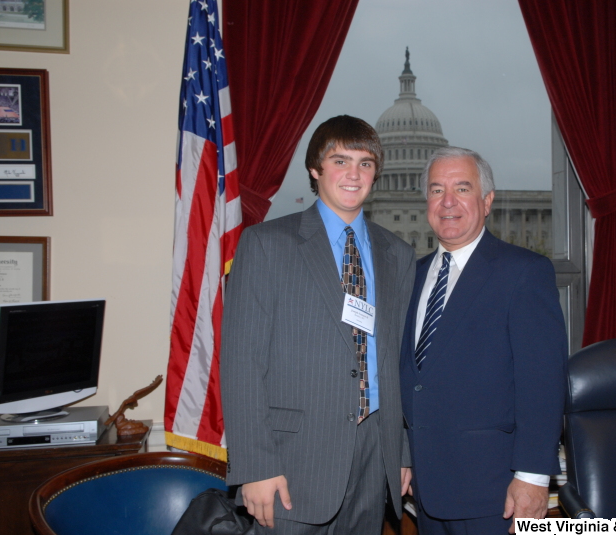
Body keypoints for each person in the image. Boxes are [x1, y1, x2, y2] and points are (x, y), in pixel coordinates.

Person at [221, 115, 416, 534]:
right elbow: (241, 364)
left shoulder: (397, 254)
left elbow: (397, 361)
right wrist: (254, 466)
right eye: (340, 160)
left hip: (372, 458)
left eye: (365, 163)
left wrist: (399, 452)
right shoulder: (266, 244)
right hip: (290, 461)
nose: (353, 174)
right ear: (315, 169)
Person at [400, 146, 568, 534]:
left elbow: (542, 383)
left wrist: (533, 478)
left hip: (496, 494)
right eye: (437, 190)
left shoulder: (525, 273)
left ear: (487, 200)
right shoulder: (410, 276)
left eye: (462, 188)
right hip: (425, 491)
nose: (448, 202)